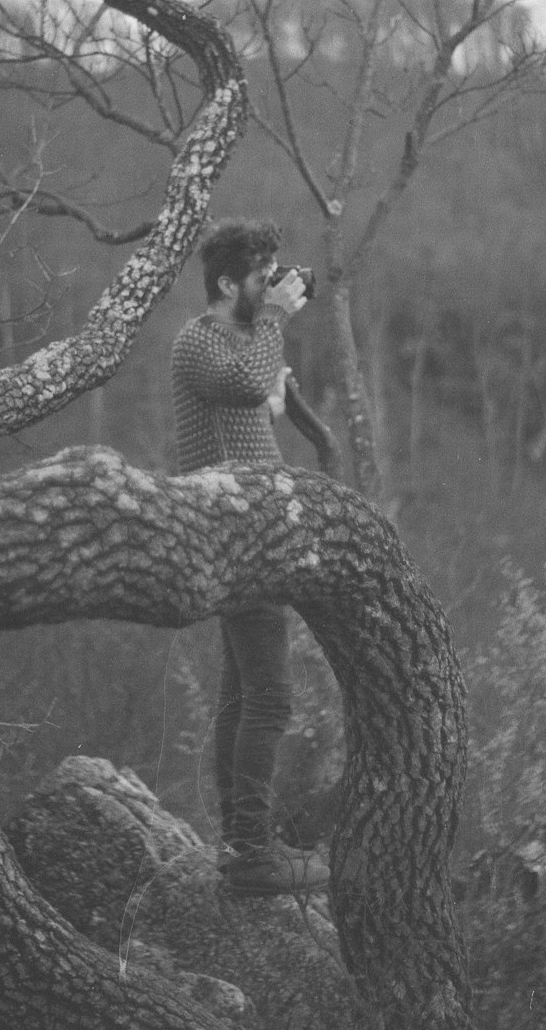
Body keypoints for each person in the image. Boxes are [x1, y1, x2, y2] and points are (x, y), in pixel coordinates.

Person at [171, 219, 330, 897]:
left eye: (275, 273)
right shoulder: (197, 341)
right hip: (235, 535)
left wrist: (274, 376)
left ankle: (242, 845)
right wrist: (273, 322)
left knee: (242, 695)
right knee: (269, 698)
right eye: (261, 276)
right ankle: (250, 855)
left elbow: (253, 394)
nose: (272, 287)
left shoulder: (239, 342)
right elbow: (240, 386)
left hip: (255, 532)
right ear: (228, 284)